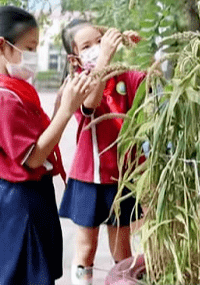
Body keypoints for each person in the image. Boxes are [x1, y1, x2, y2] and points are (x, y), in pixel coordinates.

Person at [0, 6, 96, 284]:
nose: (33, 56)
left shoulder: (10, 89)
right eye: (29, 47)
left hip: (27, 200)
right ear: (2, 46)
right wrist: (66, 111)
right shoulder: (2, 98)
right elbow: (33, 158)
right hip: (19, 206)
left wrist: (60, 106)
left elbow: (38, 143)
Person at [57, 20, 145, 285]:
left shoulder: (124, 77)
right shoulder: (77, 82)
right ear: (75, 57)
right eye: (87, 46)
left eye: (99, 40)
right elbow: (89, 103)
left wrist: (132, 44)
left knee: (122, 251)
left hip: (122, 180)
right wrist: (105, 55)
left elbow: (149, 82)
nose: (96, 48)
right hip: (89, 180)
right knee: (86, 248)